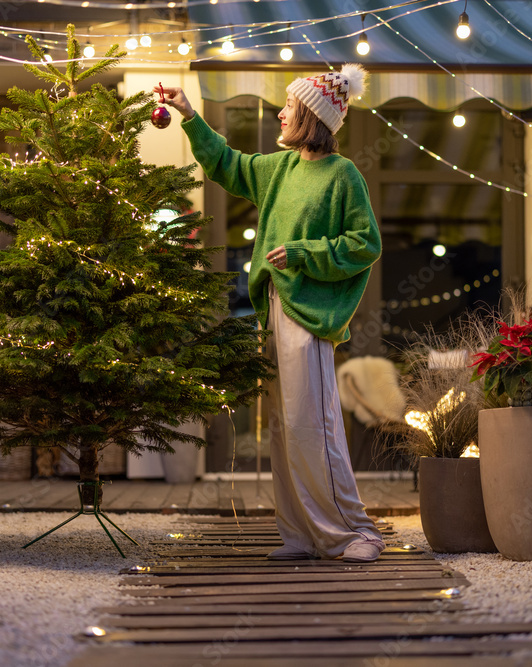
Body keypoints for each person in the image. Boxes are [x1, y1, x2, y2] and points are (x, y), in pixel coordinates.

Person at [155, 64, 386, 563]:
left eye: (288, 106)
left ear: (310, 116)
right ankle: (302, 535)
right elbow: (226, 163)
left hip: (309, 315)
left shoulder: (343, 175)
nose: (280, 113)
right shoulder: (279, 170)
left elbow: (365, 243)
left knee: (313, 426)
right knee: (284, 428)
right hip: (273, 309)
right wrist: (190, 115)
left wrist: (303, 252)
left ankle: (355, 533)